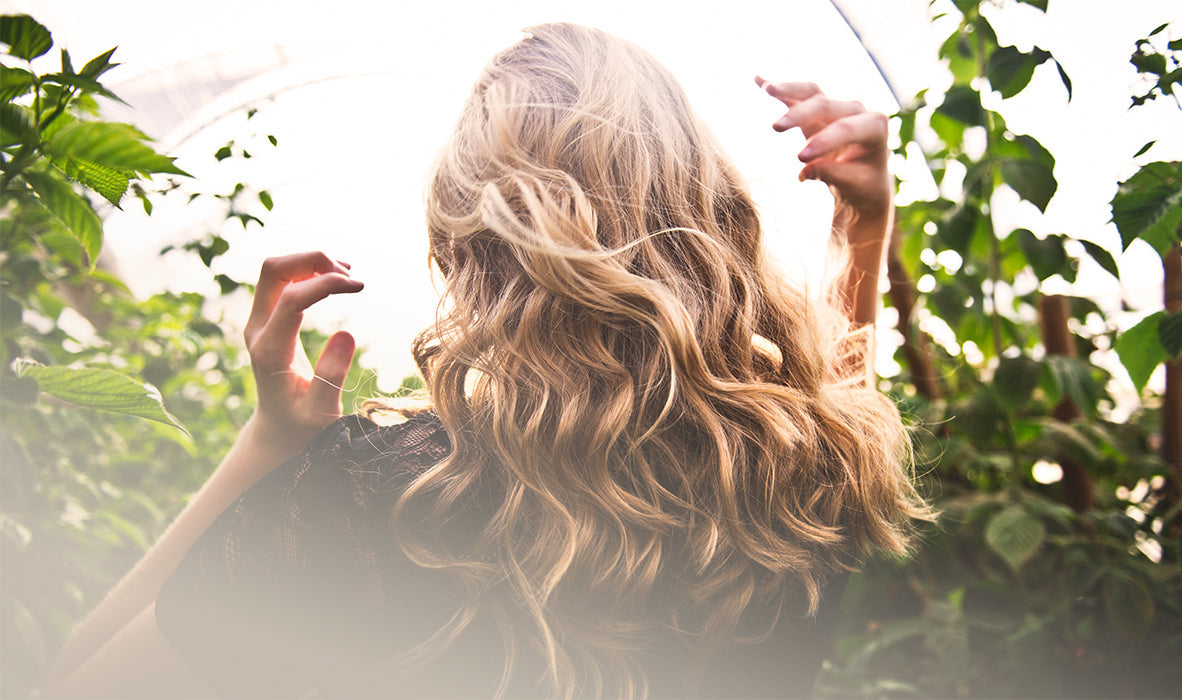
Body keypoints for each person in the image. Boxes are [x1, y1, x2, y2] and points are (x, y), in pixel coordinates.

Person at [44, 22, 929, 699]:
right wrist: (863, 227)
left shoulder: (385, 501)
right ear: (708, 207)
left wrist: (272, 446)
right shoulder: (800, 483)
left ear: (467, 244)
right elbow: (835, 405)